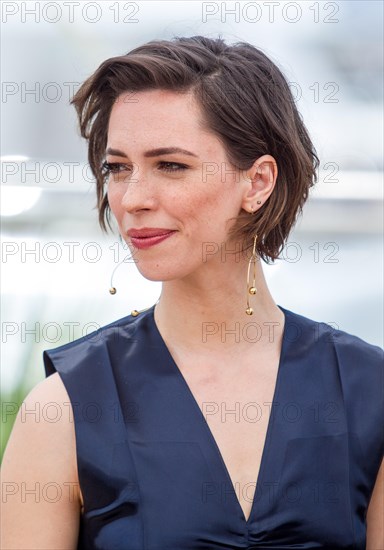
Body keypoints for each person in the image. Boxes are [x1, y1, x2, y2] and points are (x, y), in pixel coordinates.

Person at [1, 36, 383, 550]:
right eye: (118, 168)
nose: (133, 198)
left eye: (171, 166)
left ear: (258, 182)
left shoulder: (367, 391)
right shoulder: (66, 409)